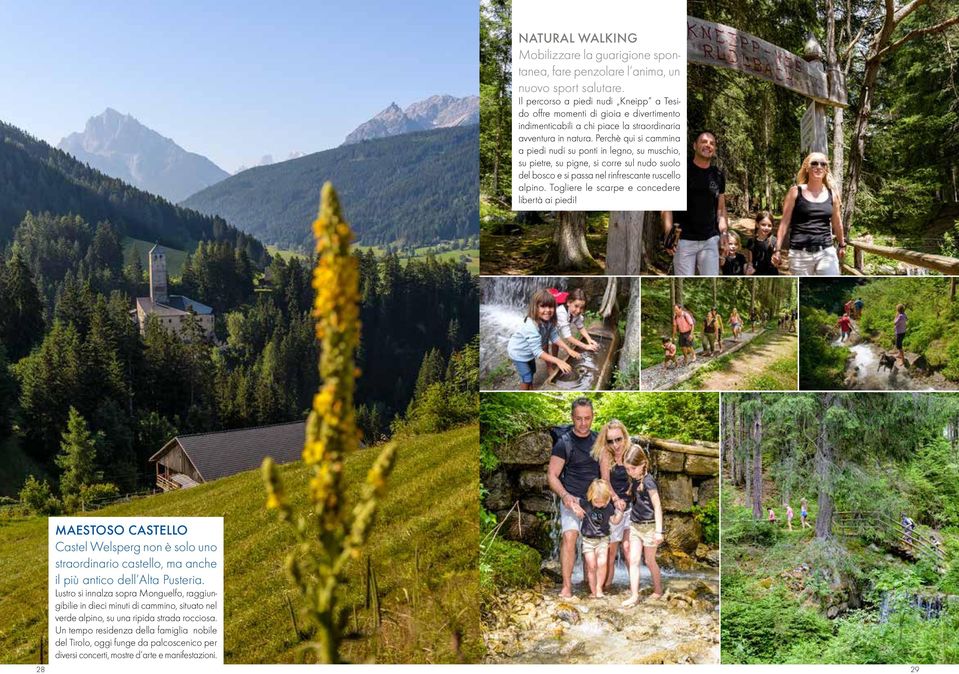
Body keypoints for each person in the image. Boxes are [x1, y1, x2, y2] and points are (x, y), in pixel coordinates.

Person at [547, 398, 600, 598]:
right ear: (572, 417)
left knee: (592, 541)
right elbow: (552, 475)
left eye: (587, 418)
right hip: (571, 497)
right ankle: (567, 586)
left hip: (595, 501)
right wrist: (566, 497)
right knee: (570, 537)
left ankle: (590, 584)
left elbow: (606, 472)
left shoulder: (599, 441)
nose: (583, 423)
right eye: (579, 419)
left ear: (593, 417)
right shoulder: (564, 443)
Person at [662, 131, 729, 276]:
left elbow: (721, 209)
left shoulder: (718, 175)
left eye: (712, 143)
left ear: (715, 148)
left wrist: (724, 233)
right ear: (695, 146)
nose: (708, 145)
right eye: (704, 142)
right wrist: (668, 234)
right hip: (684, 240)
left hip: (710, 240)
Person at [771, 153, 846, 275]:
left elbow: (837, 222)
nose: (819, 166)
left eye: (823, 164)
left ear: (826, 169)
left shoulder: (832, 194)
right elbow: (784, 223)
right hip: (800, 254)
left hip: (826, 251)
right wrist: (777, 250)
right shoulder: (795, 192)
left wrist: (842, 244)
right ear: (807, 167)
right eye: (814, 163)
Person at [507, 289, 579, 390]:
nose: (548, 310)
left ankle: (530, 388)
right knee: (526, 376)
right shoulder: (531, 325)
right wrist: (558, 361)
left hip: (529, 352)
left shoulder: (549, 321)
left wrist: (568, 349)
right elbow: (538, 352)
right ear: (535, 308)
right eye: (543, 306)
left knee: (532, 371)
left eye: (550, 306)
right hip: (518, 352)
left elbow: (555, 337)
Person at [593, 419, 634, 591]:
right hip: (614, 508)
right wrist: (616, 499)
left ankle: (634, 587)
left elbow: (638, 476)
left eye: (619, 439)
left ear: (625, 436)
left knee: (628, 548)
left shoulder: (632, 452)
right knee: (610, 551)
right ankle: (606, 586)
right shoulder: (605, 455)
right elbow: (605, 482)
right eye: (610, 441)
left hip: (632, 508)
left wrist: (633, 492)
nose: (615, 444)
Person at [621, 444, 664, 607]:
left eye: (632, 468)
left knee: (650, 560)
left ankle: (658, 589)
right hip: (635, 526)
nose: (629, 472)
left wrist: (659, 531)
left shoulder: (649, 481)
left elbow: (657, 506)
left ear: (643, 464)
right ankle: (634, 595)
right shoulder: (634, 479)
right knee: (633, 560)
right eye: (627, 469)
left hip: (650, 527)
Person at [578, 479, 624, 598]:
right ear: (590, 496)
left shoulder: (608, 507)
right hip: (588, 540)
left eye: (601, 502)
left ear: (607, 499)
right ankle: (593, 590)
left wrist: (620, 512)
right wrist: (572, 504)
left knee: (602, 563)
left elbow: (614, 520)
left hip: (603, 539)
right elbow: (574, 500)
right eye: (596, 502)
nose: (599, 505)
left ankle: (598, 589)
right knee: (592, 565)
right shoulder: (585, 503)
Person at [550, 288, 600, 365]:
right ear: (569, 303)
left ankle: (554, 359)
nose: (578, 310)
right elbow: (568, 337)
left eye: (581, 307)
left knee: (555, 342)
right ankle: (549, 365)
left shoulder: (576, 313)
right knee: (545, 345)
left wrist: (589, 339)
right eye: (576, 306)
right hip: (547, 324)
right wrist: (585, 346)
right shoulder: (561, 312)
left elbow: (580, 327)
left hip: (556, 326)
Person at [744, 211, 779, 275]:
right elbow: (750, 261)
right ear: (757, 224)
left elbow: (777, 260)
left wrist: (777, 260)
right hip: (756, 272)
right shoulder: (751, 241)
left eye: (769, 226)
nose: (766, 228)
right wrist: (749, 267)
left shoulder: (774, 240)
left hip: (771, 273)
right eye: (763, 225)